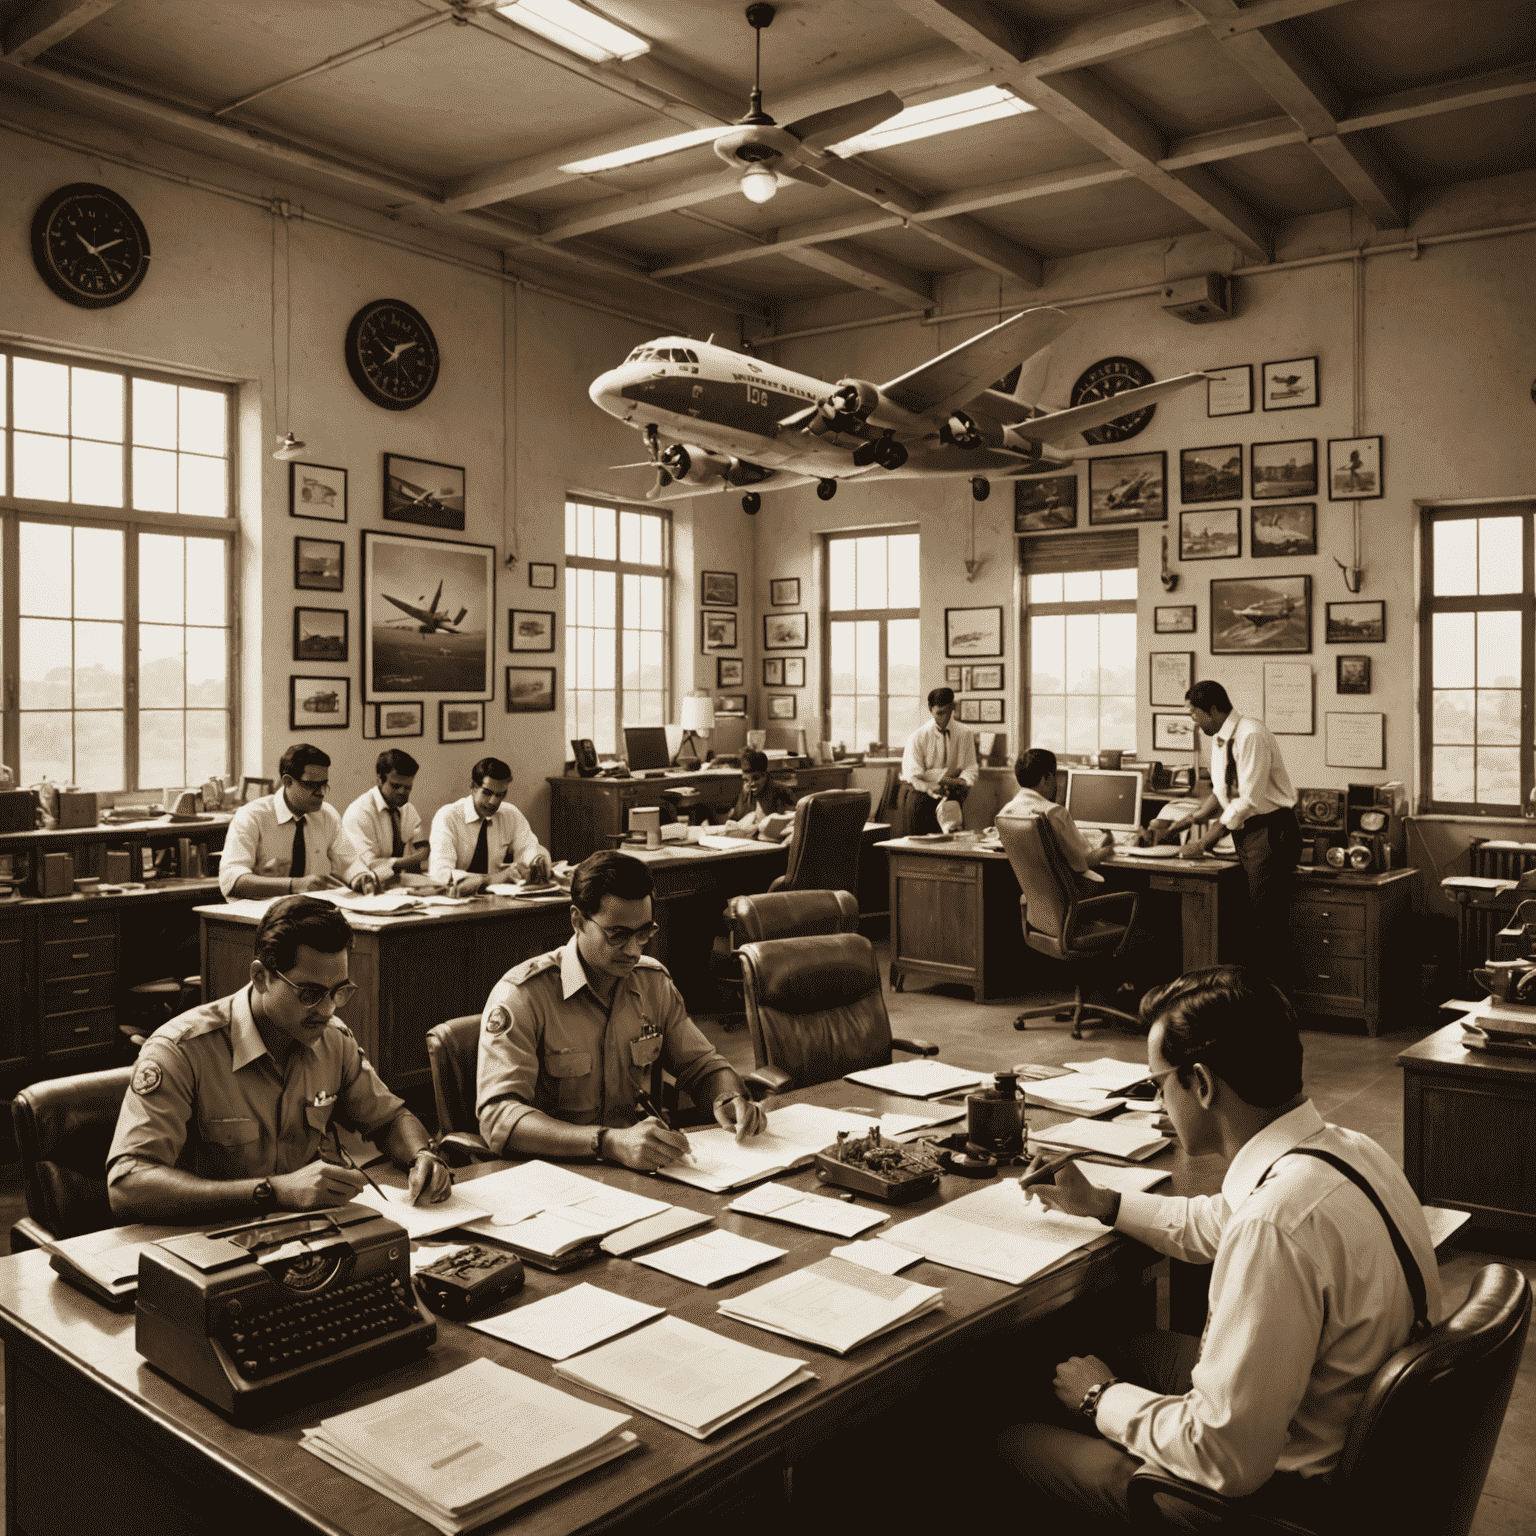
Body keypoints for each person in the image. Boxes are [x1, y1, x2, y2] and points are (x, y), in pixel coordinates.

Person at [998, 966, 1440, 1530]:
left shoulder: (1274, 1225)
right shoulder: (1347, 1153)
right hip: (1352, 1436)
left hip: (1276, 1501)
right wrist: (1104, 1203)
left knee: (1008, 1439)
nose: (1159, 1103)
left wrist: (1100, 1397)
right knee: (1115, 1344)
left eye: (1159, 1084)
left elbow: (1223, 1458)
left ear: (1202, 1084)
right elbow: (1220, 1220)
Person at [108, 895, 453, 1222]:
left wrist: (420, 1156)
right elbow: (127, 1186)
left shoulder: (332, 1040)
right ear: (261, 977)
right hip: (209, 1240)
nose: (327, 1009)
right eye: (310, 993)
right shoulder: (182, 1051)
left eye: (338, 992)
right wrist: (270, 1192)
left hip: (305, 1235)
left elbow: (390, 1119)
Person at [476, 849, 768, 1171]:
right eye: (617, 935)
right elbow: (499, 1116)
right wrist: (607, 1142)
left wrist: (728, 1098)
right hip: (554, 1172)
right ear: (577, 920)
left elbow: (702, 1067)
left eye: (644, 933)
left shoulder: (652, 983)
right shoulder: (524, 995)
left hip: (634, 1168)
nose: (633, 950)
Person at [1154, 679, 1301, 990]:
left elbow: (1247, 801)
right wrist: (1181, 823)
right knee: (1248, 920)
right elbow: (1221, 793)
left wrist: (1204, 842)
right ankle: (1243, 994)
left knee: (1266, 923)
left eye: (1194, 715)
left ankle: (1271, 1003)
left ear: (1214, 710)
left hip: (1271, 832)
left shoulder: (1250, 736)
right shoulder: (1220, 737)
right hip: (1247, 833)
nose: (1193, 723)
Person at [218, 743, 375, 899]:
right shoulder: (252, 816)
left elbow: (347, 863)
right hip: (262, 916)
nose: (320, 793)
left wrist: (360, 877)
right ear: (287, 782)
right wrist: (294, 885)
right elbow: (232, 881)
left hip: (311, 911)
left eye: (324, 784)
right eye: (311, 785)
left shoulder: (327, 815)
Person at [997, 748, 1114, 895]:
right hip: (1070, 900)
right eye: (1054, 776)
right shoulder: (1054, 813)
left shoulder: (1006, 812)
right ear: (1046, 778)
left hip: (1035, 901)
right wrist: (1109, 847)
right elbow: (1087, 860)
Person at [428, 755, 551, 895]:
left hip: (498, 899)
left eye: (500, 795)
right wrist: (493, 878)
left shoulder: (510, 814)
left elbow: (529, 848)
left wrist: (536, 860)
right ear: (472, 787)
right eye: (487, 793)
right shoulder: (448, 817)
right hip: (457, 899)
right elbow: (440, 874)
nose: (493, 801)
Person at [342, 748, 430, 887]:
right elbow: (371, 865)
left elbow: (420, 850)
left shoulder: (406, 807)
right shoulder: (359, 812)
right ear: (379, 780)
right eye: (395, 786)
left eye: (407, 788)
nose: (402, 792)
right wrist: (415, 857)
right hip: (367, 885)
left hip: (397, 885)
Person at [900, 686, 978, 836]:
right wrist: (931, 787)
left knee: (952, 842)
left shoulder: (965, 734)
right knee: (921, 843)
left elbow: (970, 767)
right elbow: (913, 775)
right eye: (939, 713)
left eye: (948, 711)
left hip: (951, 795)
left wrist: (963, 781)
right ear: (931, 709)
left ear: (953, 707)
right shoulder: (918, 737)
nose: (944, 717)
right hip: (922, 795)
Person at [718, 748, 798, 836]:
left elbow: (790, 820)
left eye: (756, 778)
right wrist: (745, 797)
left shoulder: (780, 792)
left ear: (765, 775)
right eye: (746, 780)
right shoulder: (746, 792)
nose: (751, 784)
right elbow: (736, 820)